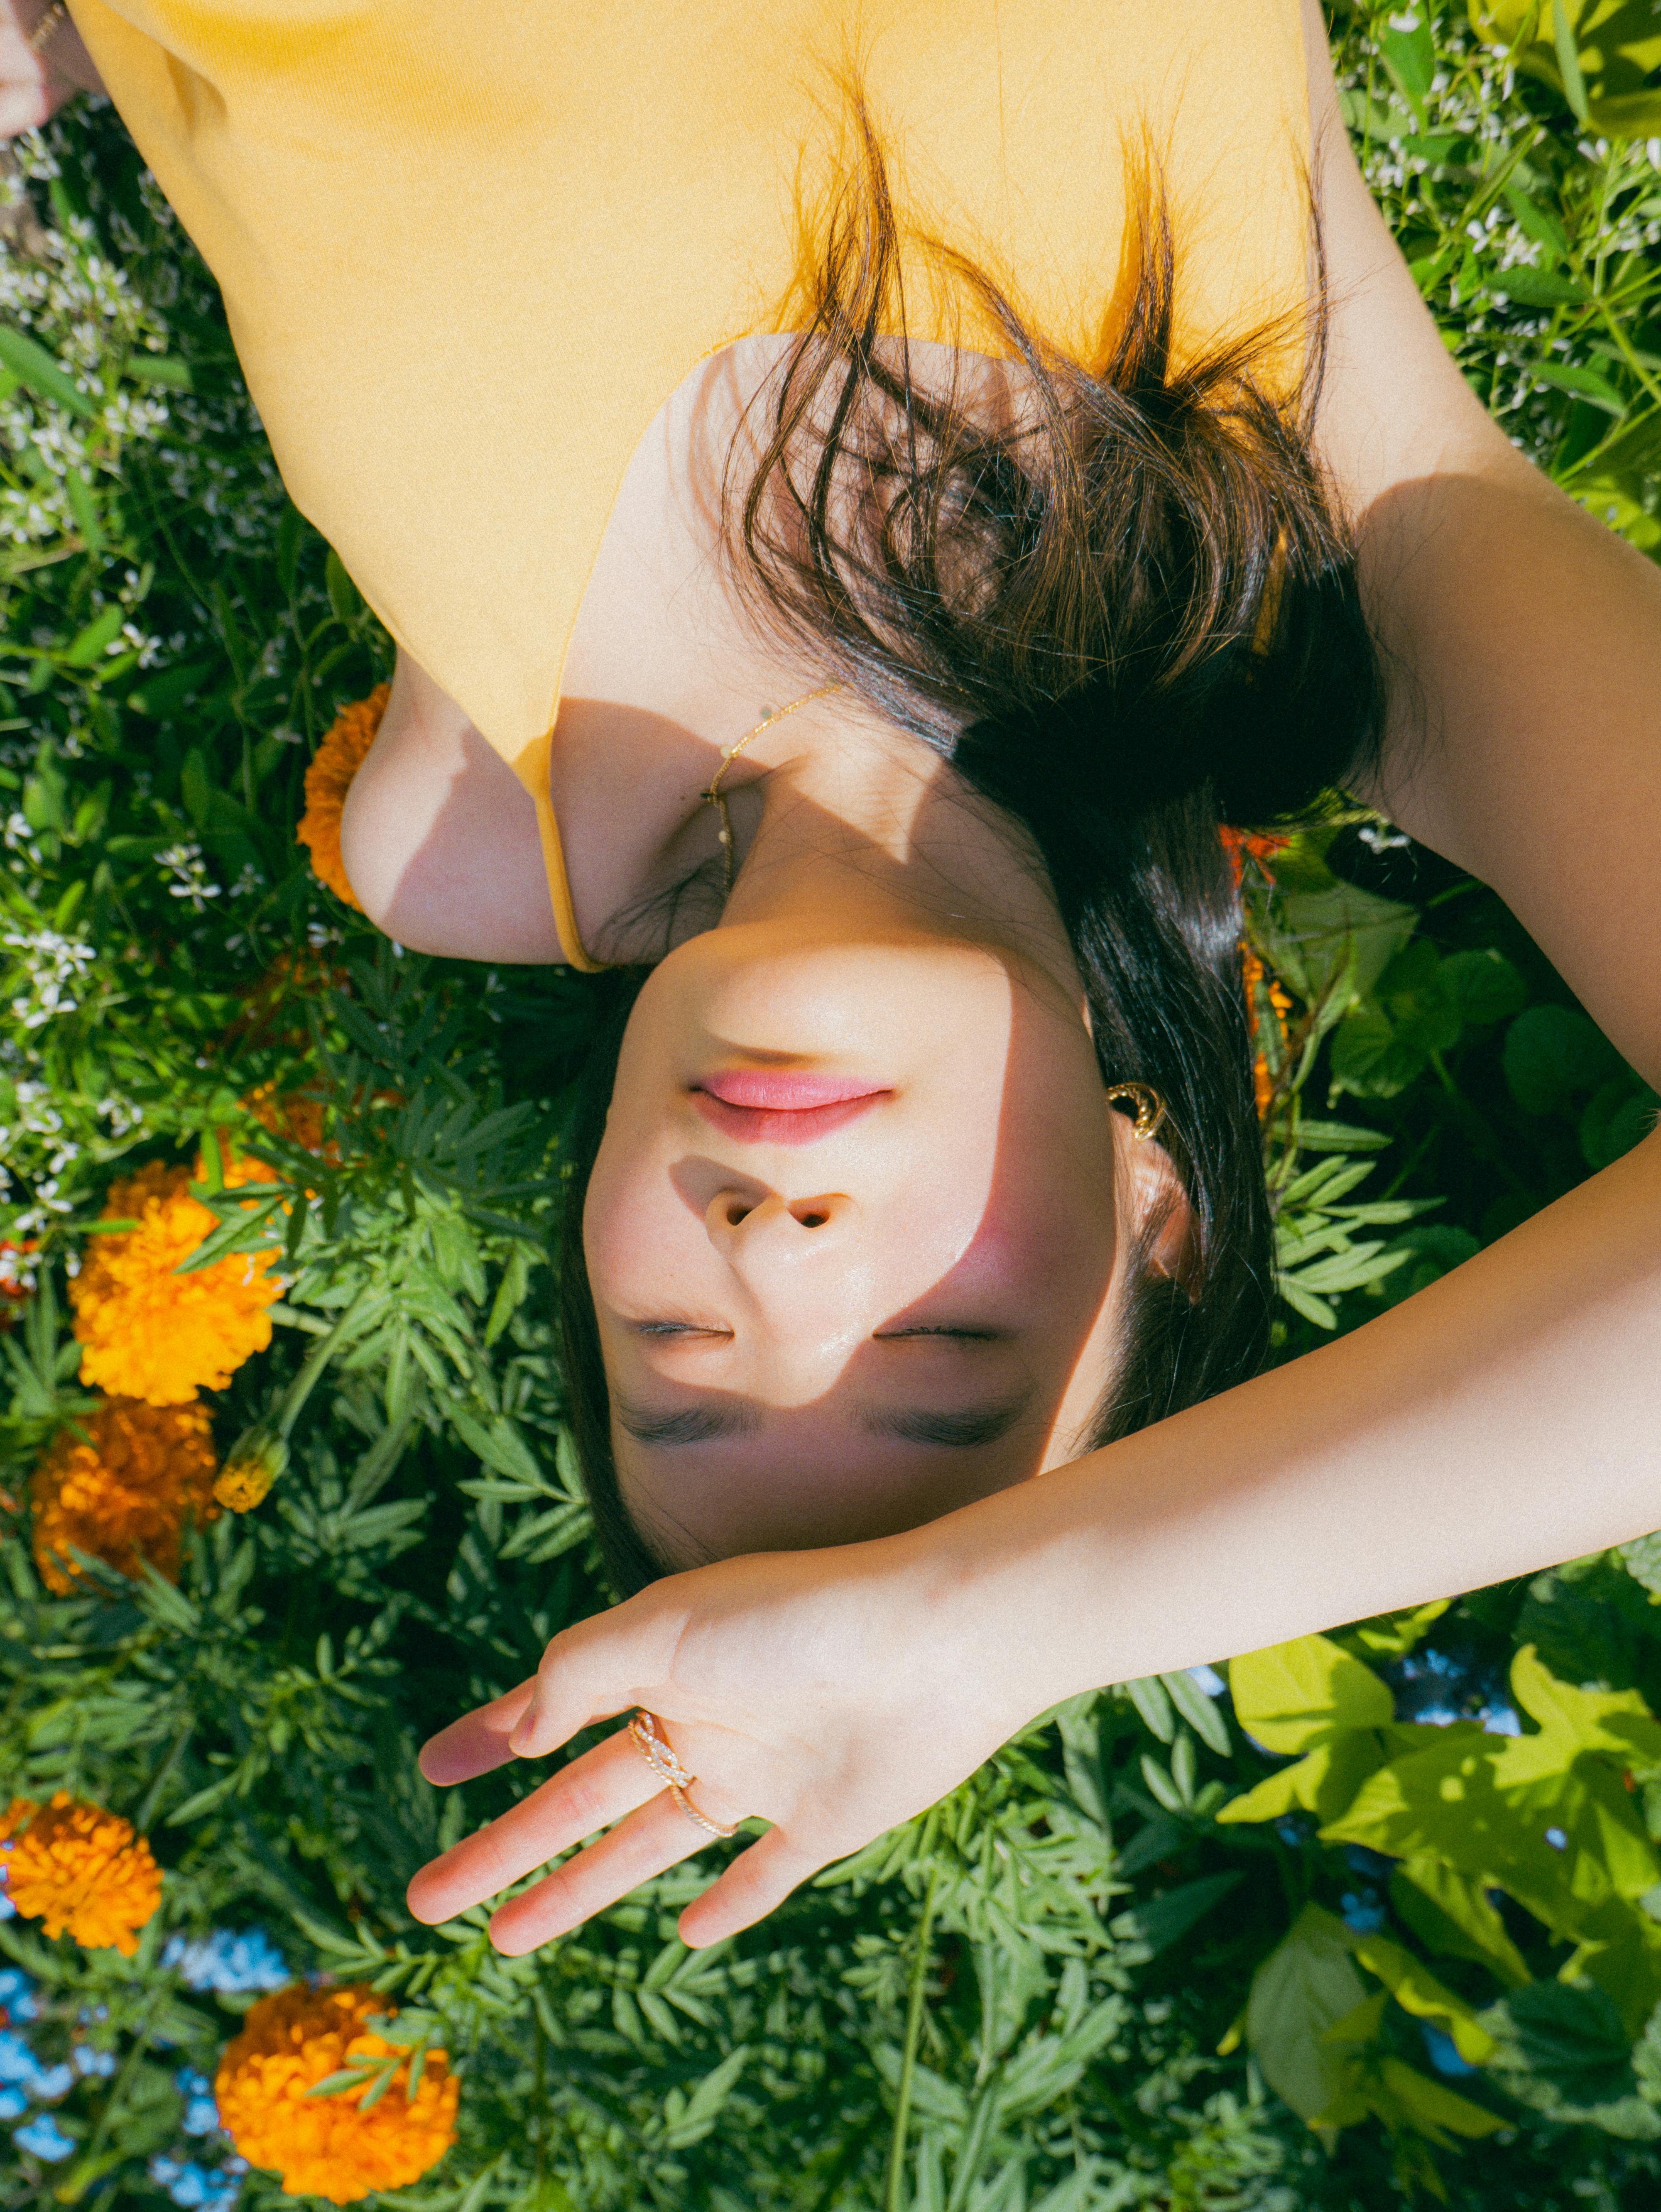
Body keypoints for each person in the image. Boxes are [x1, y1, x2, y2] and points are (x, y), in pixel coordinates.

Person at [10, 2, 1660, 1958]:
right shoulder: (1359, 583)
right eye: (935, 1359)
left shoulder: (460, 839)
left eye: (678, 1356)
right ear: (1156, 1205)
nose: (774, 1251)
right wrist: (993, 1631)